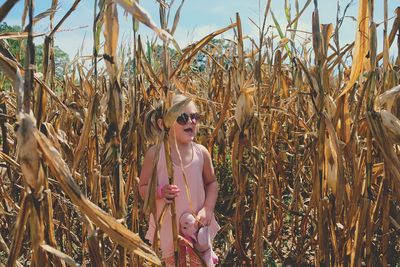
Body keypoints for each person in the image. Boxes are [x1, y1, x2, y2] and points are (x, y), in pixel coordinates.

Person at [139, 94, 220, 266]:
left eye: (195, 117)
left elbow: (212, 183)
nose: (191, 121)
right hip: (168, 228)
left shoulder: (201, 153)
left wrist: (208, 208)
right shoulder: (155, 154)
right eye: (182, 118)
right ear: (163, 124)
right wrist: (160, 192)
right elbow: (143, 187)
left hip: (196, 229)